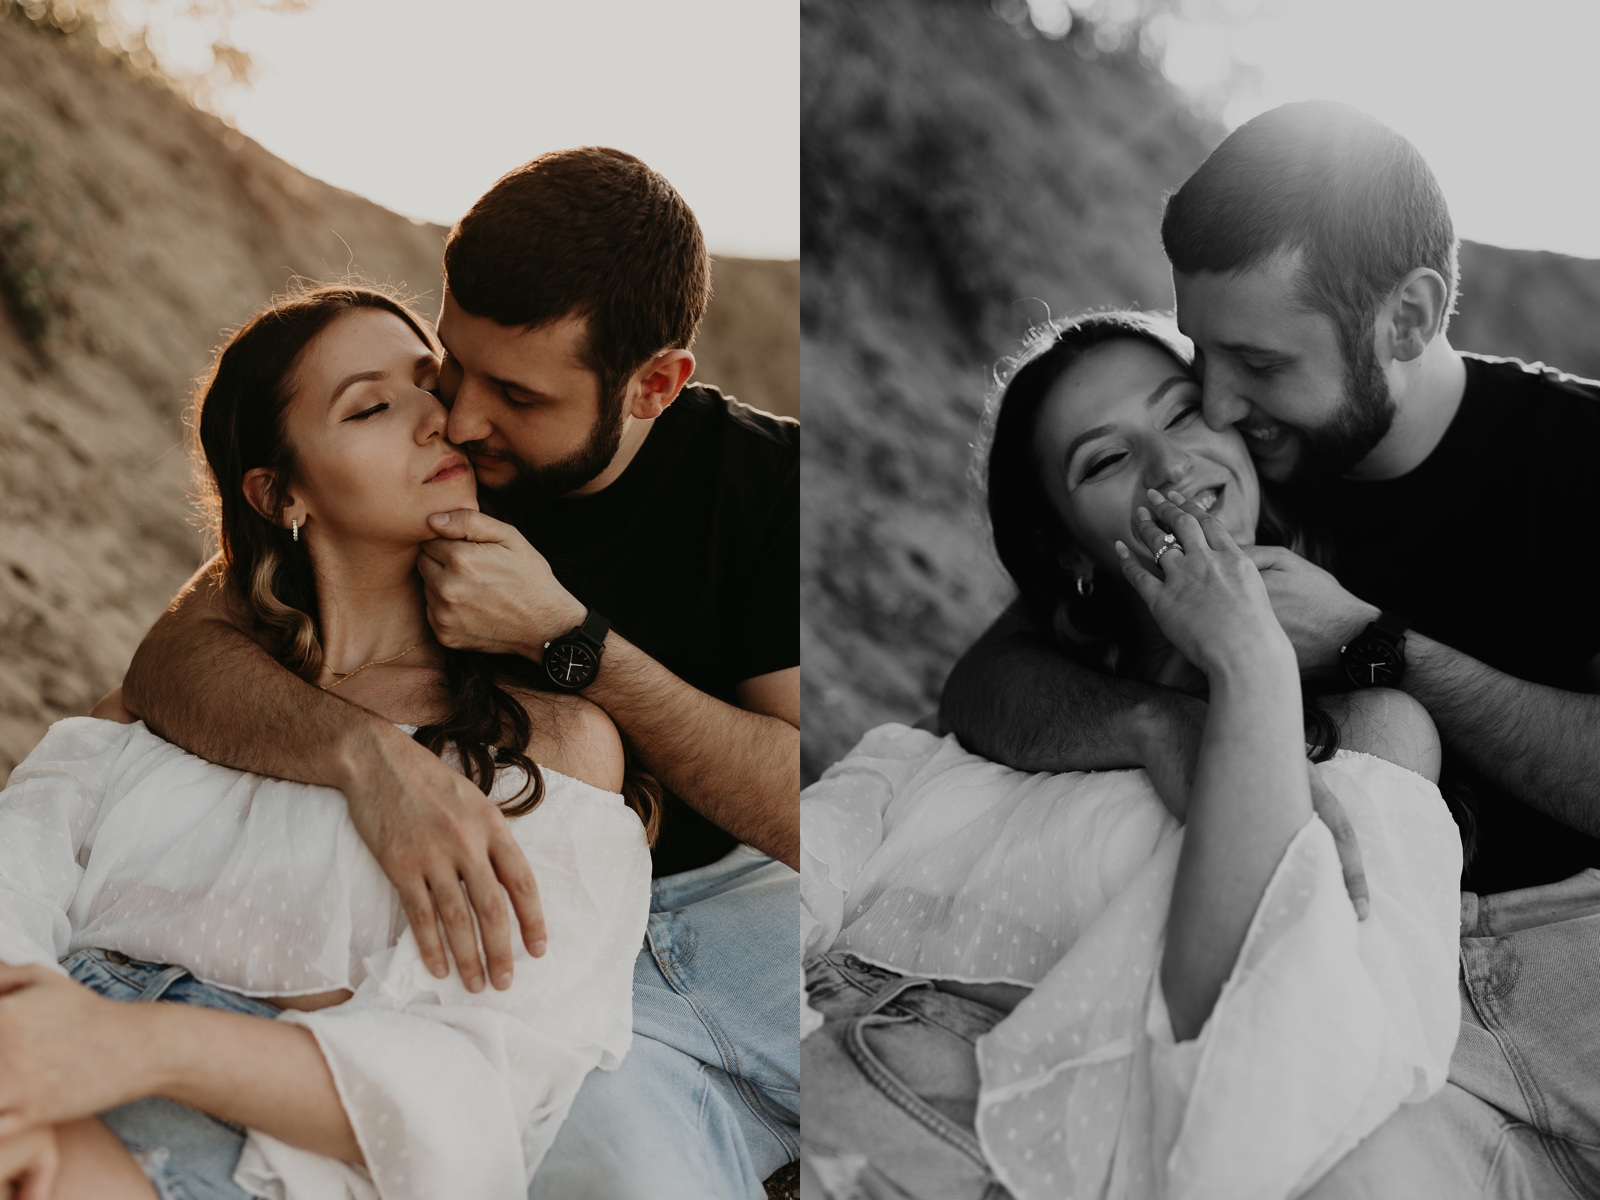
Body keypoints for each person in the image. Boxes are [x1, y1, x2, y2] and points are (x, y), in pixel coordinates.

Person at [116, 148, 800, 1199]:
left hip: (752, 907)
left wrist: (574, 646)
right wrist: (366, 761)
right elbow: (177, 652)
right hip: (560, 934)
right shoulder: (428, 462)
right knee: (602, 1169)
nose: (463, 420)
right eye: (454, 363)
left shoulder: (768, 488)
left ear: (655, 384)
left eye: (517, 394)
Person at [942, 102, 1600, 1192]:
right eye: (1199, 349)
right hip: (1409, 1003)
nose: (1214, 399)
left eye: (1253, 359)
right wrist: (1166, 725)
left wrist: (1378, 644)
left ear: (1407, 317)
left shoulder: (1579, 462)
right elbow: (994, 674)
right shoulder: (1241, 456)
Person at [0, 284, 653, 1200]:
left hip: (236, 1150)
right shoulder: (185, 698)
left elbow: (478, 1090)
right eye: (373, 405)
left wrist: (134, 1047)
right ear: (281, 493)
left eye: (433, 386)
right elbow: (13, 872)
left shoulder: (543, 749)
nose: (440, 421)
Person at [801, 312, 1462, 1199]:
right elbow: (820, 843)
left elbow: (1249, 1036)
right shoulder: (1010, 711)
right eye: (1105, 460)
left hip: (974, 1142)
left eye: (1183, 413)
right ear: (1073, 548)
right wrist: (1164, 724)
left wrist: (1248, 654)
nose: (1170, 467)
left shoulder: (1365, 734)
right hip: (803, 1052)